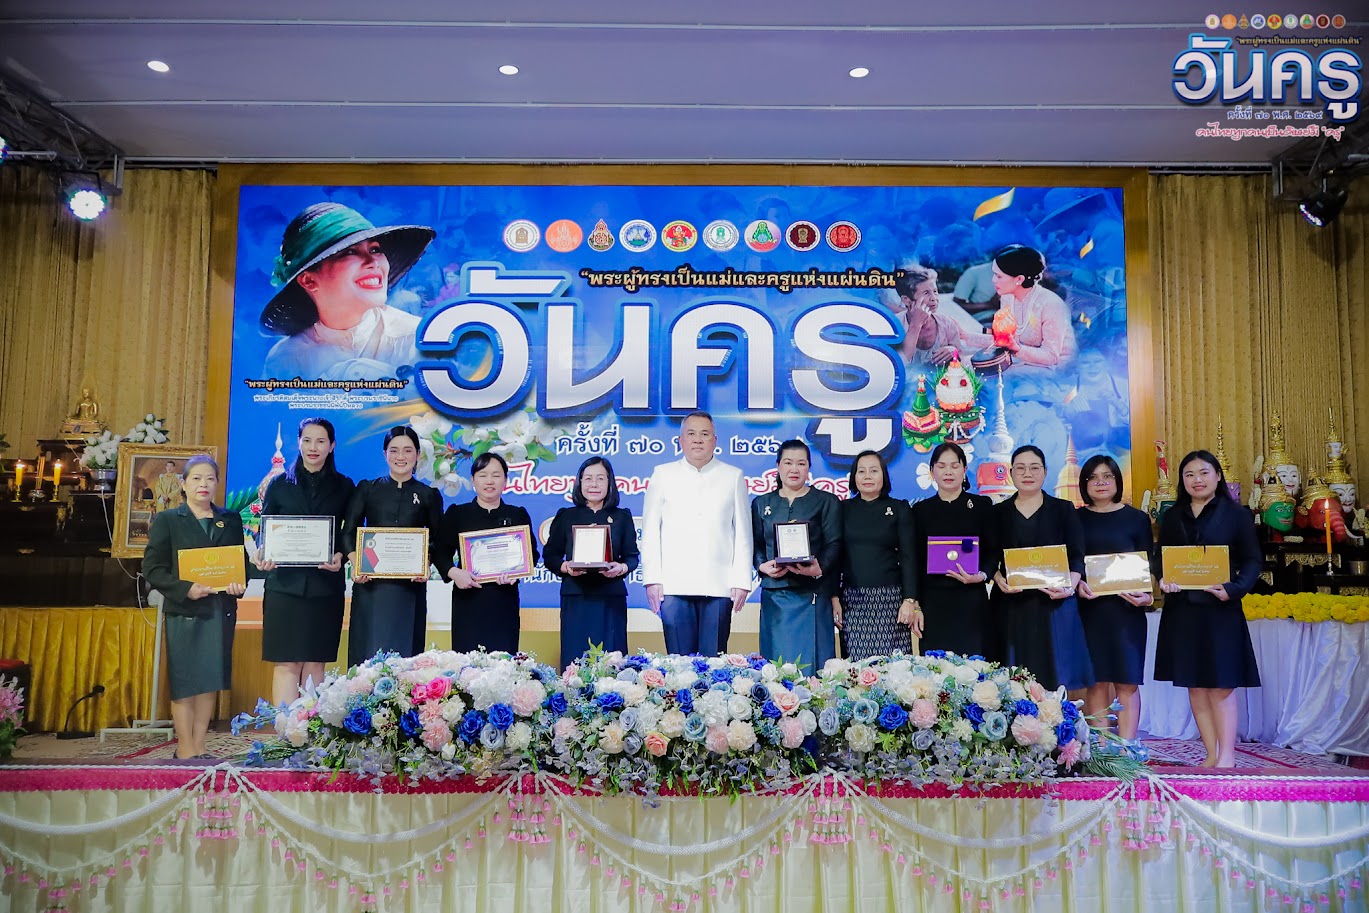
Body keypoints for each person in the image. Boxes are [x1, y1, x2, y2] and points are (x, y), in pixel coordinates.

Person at [1155, 449, 1262, 768]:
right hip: (1183, 611)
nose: (1197, 480)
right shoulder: (1172, 516)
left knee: (1221, 685)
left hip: (1220, 610)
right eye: (1189, 474)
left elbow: (1253, 560)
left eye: (1203, 473)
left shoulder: (1237, 515)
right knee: (1195, 685)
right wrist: (1163, 579)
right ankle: (1211, 753)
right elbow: (1160, 558)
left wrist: (1233, 589)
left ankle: (1227, 755)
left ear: (1218, 476)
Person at [140, 456, 247, 760]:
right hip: (184, 612)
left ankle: (200, 745)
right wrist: (185, 588)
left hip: (219, 610)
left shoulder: (231, 519)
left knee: (210, 680)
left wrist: (238, 585)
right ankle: (185, 748)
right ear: (183, 484)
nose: (204, 485)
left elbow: (239, 563)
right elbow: (153, 568)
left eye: (210, 479)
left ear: (217, 483)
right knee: (185, 682)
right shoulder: (168, 520)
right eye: (197, 478)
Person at [260, 202, 436, 381]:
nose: (373, 262)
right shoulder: (285, 360)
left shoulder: (418, 338)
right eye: (350, 252)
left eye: (375, 249)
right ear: (309, 280)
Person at [256, 418, 355, 707]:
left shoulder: (344, 486)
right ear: (298, 443)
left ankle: (310, 730)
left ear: (332, 446)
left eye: (321, 441)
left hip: (325, 588)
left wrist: (339, 554)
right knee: (286, 663)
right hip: (284, 587)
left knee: (315, 662)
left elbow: (348, 533)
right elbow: (265, 529)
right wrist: (264, 551)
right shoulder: (278, 484)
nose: (313, 447)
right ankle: (286, 730)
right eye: (307, 440)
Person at [639, 411, 754, 655]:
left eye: (705, 434)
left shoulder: (732, 476)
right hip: (673, 583)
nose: (698, 440)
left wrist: (741, 581)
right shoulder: (663, 474)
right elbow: (650, 532)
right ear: (680, 440)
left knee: (714, 660)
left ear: (715, 440)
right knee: (679, 663)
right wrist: (652, 579)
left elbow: (744, 534)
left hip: (719, 584)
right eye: (691, 434)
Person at [990, 445, 1094, 691]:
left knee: (1055, 681)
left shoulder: (1063, 509)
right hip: (1012, 607)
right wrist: (998, 578)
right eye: (1021, 468)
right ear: (1011, 473)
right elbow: (989, 556)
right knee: (1012, 683)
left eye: (1034, 467)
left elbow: (1077, 556)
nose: (1028, 473)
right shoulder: (997, 513)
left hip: (1054, 606)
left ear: (1045, 472)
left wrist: (1070, 586)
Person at [342, 426, 448, 666]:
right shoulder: (367, 489)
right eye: (394, 450)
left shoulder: (428, 495)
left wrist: (426, 562)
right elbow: (348, 532)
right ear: (385, 454)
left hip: (409, 588)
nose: (401, 456)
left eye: (408, 450)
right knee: (366, 659)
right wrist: (356, 562)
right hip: (370, 586)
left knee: (405, 660)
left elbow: (437, 539)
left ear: (417, 455)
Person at [1075, 454, 1153, 740]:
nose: (1101, 482)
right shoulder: (1075, 519)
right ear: (1085, 484)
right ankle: (1103, 748)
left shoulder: (1137, 519)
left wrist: (1147, 596)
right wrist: (1077, 584)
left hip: (1127, 612)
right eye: (1093, 477)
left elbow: (1149, 564)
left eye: (1107, 476)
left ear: (1117, 480)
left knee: (1127, 682)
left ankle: (1128, 747)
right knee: (1096, 682)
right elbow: (1071, 563)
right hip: (1090, 611)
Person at [751, 440, 841, 670]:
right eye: (788, 463)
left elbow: (834, 543)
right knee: (776, 668)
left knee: (815, 667)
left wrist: (819, 567)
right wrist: (762, 565)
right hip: (775, 594)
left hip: (813, 593)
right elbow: (755, 544)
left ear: (809, 467)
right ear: (778, 466)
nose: (794, 469)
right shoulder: (761, 503)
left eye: (801, 463)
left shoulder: (826, 501)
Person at [542, 457, 640, 667]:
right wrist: (565, 567)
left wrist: (621, 568)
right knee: (575, 660)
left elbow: (632, 557)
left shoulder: (622, 517)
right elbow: (550, 556)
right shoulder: (566, 516)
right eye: (588, 479)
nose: (594, 484)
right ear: (579, 482)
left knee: (611, 662)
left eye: (600, 479)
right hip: (576, 596)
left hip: (610, 598)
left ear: (610, 483)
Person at [441, 453, 538, 655]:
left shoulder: (517, 515)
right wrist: (455, 573)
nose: (489, 481)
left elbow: (532, 555)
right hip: (468, 603)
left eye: (496, 475)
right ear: (473, 480)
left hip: (504, 601)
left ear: (505, 480)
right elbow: (440, 551)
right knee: (467, 664)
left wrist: (516, 573)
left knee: (503, 662)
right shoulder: (458, 514)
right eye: (483, 475)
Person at [909, 442, 998, 657]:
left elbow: (993, 550)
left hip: (972, 601)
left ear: (964, 470)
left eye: (954, 466)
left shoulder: (982, 506)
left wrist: (981, 575)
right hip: (933, 603)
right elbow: (914, 560)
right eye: (941, 466)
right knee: (935, 667)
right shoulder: (920, 510)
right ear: (932, 471)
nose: (948, 472)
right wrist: (917, 606)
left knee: (976, 665)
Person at [833, 450, 918, 660]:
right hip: (853, 601)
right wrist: (834, 597)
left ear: (884, 475)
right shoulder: (842, 509)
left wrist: (909, 600)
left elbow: (909, 556)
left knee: (894, 667)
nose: (867, 476)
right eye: (861, 471)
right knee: (857, 669)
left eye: (874, 471)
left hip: (891, 601)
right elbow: (835, 557)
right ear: (854, 476)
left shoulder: (899, 508)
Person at [967, 245, 1076, 369]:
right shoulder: (1007, 297)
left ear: (1019, 279)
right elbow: (1005, 340)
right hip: (1021, 359)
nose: (993, 280)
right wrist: (964, 335)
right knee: (966, 363)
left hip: (1057, 367)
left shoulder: (1051, 305)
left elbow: (1052, 357)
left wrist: (1017, 349)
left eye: (999, 276)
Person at [894, 267, 961, 367]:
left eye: (935, 291)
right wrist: (916, 325)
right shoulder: (893, 326)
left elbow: (962, 361)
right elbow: (897, 365)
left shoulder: (947, 324)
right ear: (906, 300)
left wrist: (954, 351)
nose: (934, 298)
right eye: (926, 293)